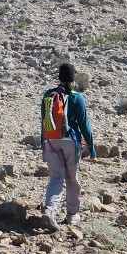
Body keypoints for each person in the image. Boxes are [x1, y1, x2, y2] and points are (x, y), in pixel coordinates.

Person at [40, 63, 96, 231]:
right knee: (71, 178)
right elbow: (84, 124)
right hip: (71, 141)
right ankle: (72, 215)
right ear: (73, 79)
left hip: (51, 140)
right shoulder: (76, 97)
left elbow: (43, 121)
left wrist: (43, 145)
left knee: (56, 177)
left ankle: (49, 210)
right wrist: (92, 148)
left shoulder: (48, 95)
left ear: (59, 77)